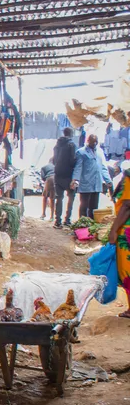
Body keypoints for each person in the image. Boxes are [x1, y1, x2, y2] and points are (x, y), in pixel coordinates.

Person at [106, 163, 130, 318]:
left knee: (127, 270)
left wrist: (114, 229)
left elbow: (127, 204)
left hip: (127, 231)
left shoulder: (129, 176)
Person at [75, 133, 112, 220]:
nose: (94, 144)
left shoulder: (99, 152)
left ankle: (91, 224)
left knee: (94, 207)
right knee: (84, 205)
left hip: (97, 183)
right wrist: (75, 179)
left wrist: (108, 180)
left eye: (96, 142)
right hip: (86, 183)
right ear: (88, 141)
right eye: (92, 142)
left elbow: (103, 167)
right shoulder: (81, 152)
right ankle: (82, 222)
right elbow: (78, 167)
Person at [53, 127, 79, 228]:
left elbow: (54, 160)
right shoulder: (72, 145)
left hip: (58, 174)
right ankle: (67, 220)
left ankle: (57, 221)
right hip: (69, 175)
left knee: (59, 198)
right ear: (71, 134)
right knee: (71, 198)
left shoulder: (57, 145)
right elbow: (72, 161)